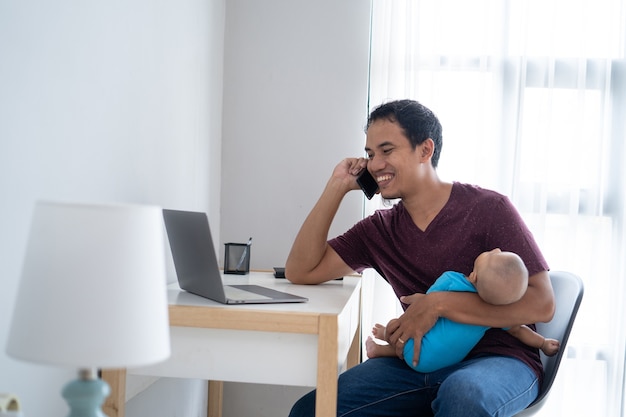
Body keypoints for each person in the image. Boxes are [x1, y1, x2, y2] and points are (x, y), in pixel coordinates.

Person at [285, 99, 555, 417]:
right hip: (418, 363)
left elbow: (542, 304)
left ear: (425, 150)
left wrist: (438, 304)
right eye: (370, 154)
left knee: (463, 396)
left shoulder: (489, 208)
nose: (374, 164)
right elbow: (301, 269)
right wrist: (337, 187)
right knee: (310, 411)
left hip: (500, 359)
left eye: (387, 151)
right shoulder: (378, 231)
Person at [366, 249, 560, 373]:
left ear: (474, 275)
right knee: (423, 346)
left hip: (414, 349)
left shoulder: (452, 280)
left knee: (401, 327)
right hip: (445, 364)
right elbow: (520, 331)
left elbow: (425, 307)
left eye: (492, 255)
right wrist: (542, 343)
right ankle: (382, 349)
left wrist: (422, 301)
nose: (496, 249)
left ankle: (384, 340)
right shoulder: (495, 316)